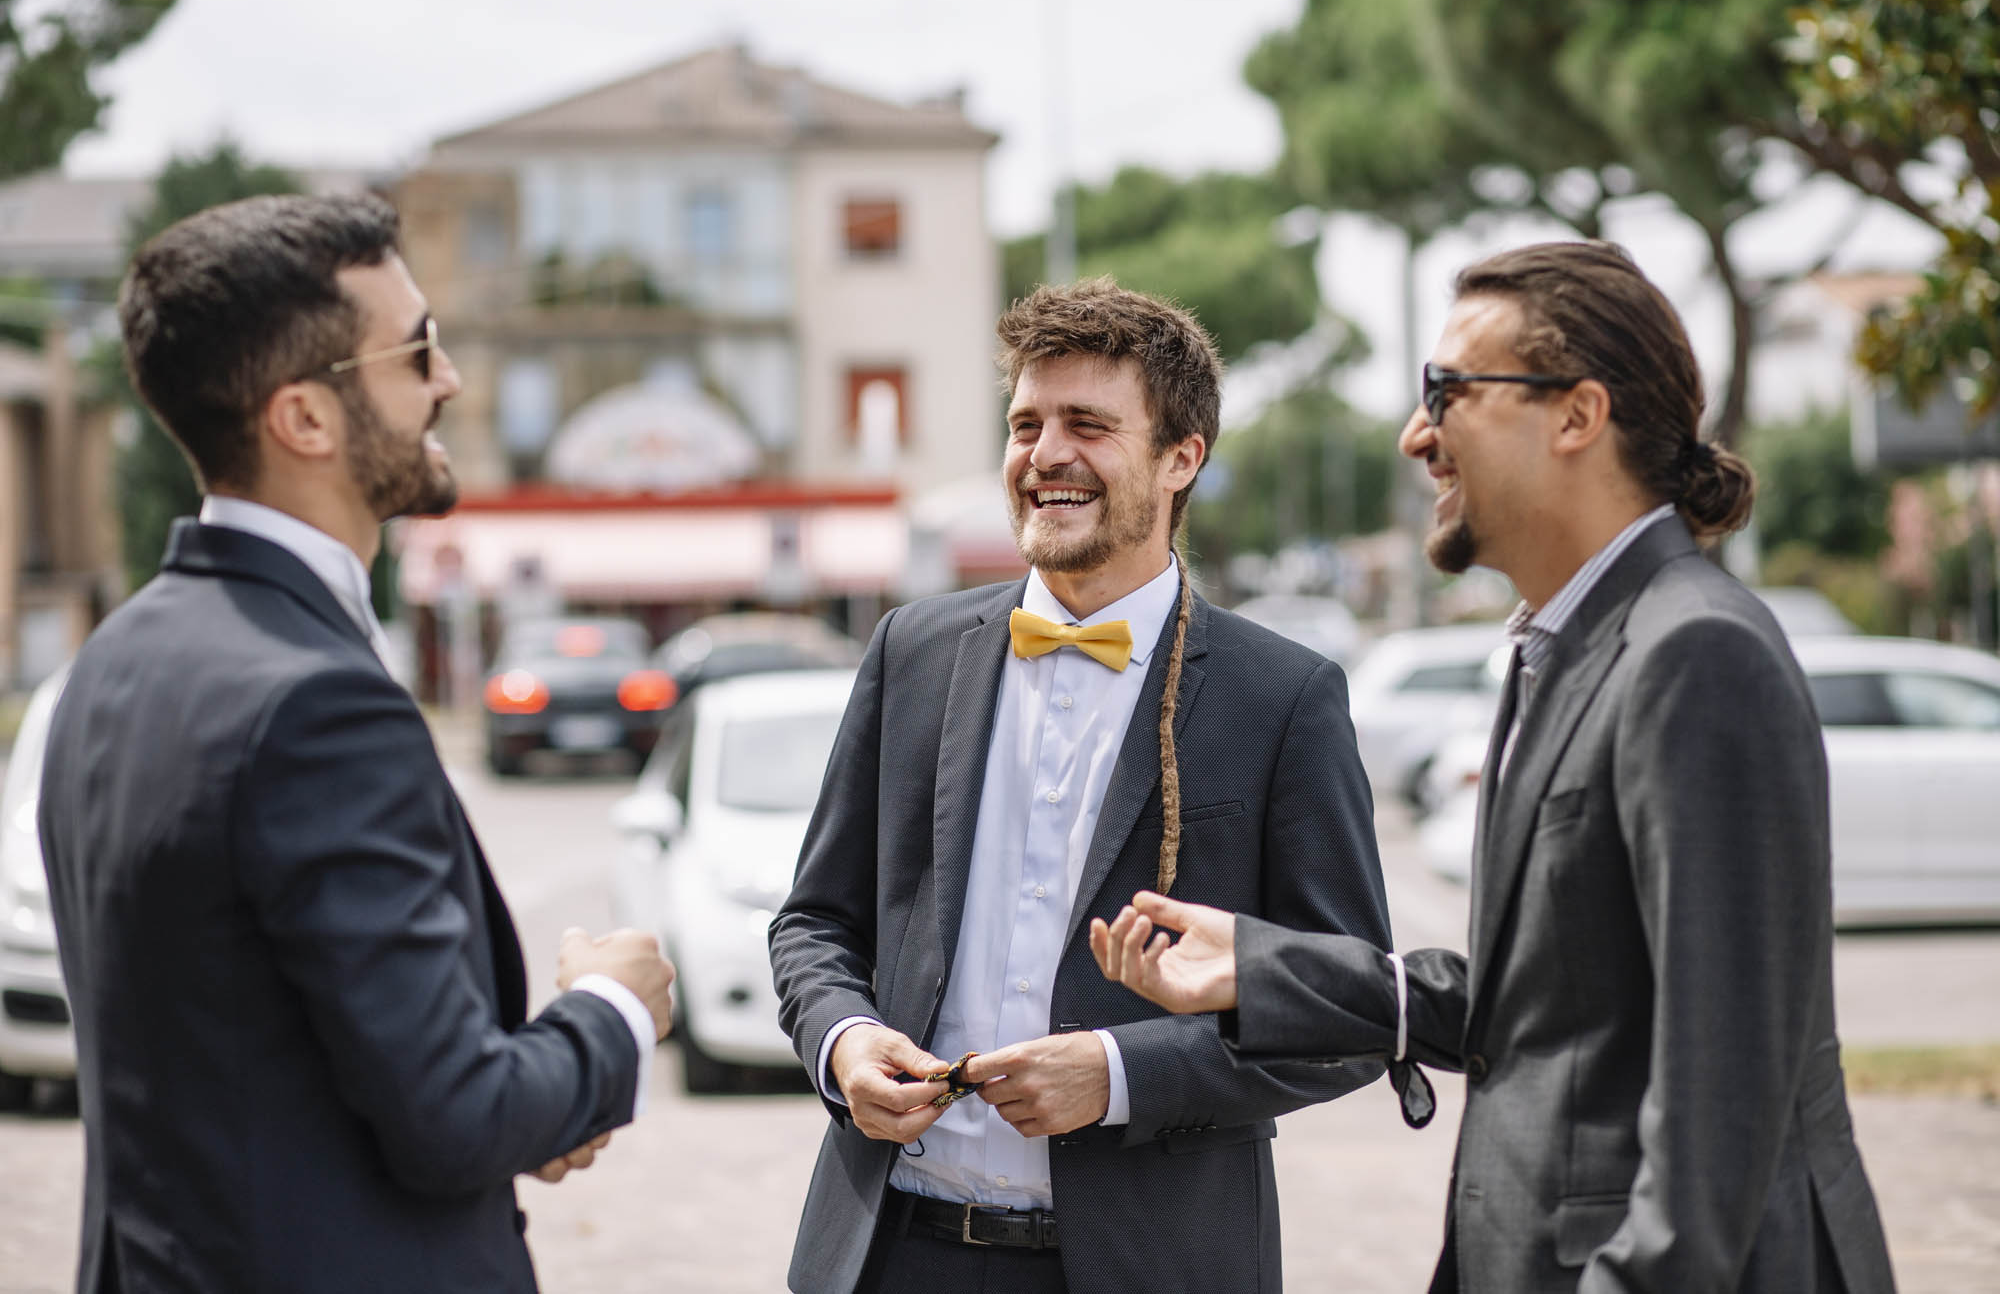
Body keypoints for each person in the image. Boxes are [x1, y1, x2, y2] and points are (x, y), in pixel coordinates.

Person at [1093, 241, 1896, 1293]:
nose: (1414, 433)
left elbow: (1721, 1101)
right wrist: (1261, 964)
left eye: (1447, 392)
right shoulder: (1558, 646)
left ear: (1575, 415)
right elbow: (1555, 1002)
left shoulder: (1696, 653)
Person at [38, 193, 676, 1294]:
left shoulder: (109, 662)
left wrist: (536, 1084)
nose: (449, 380)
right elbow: (455, 1118)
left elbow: (257, 1048)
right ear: (305, 420)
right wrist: (608, 1011)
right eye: (416, 349)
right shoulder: (317, 705)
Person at [768, 277, 1391, 1294]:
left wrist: (1117, 1076)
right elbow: (812, 922)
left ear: (1180, 457)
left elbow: (1344, 1012)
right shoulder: (910, 651)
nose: (1044, 455)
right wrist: (841, 1040)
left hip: (1149, 1265)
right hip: (890, 1256)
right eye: (1025, 424)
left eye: (1087, 425)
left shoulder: (1284, 696)